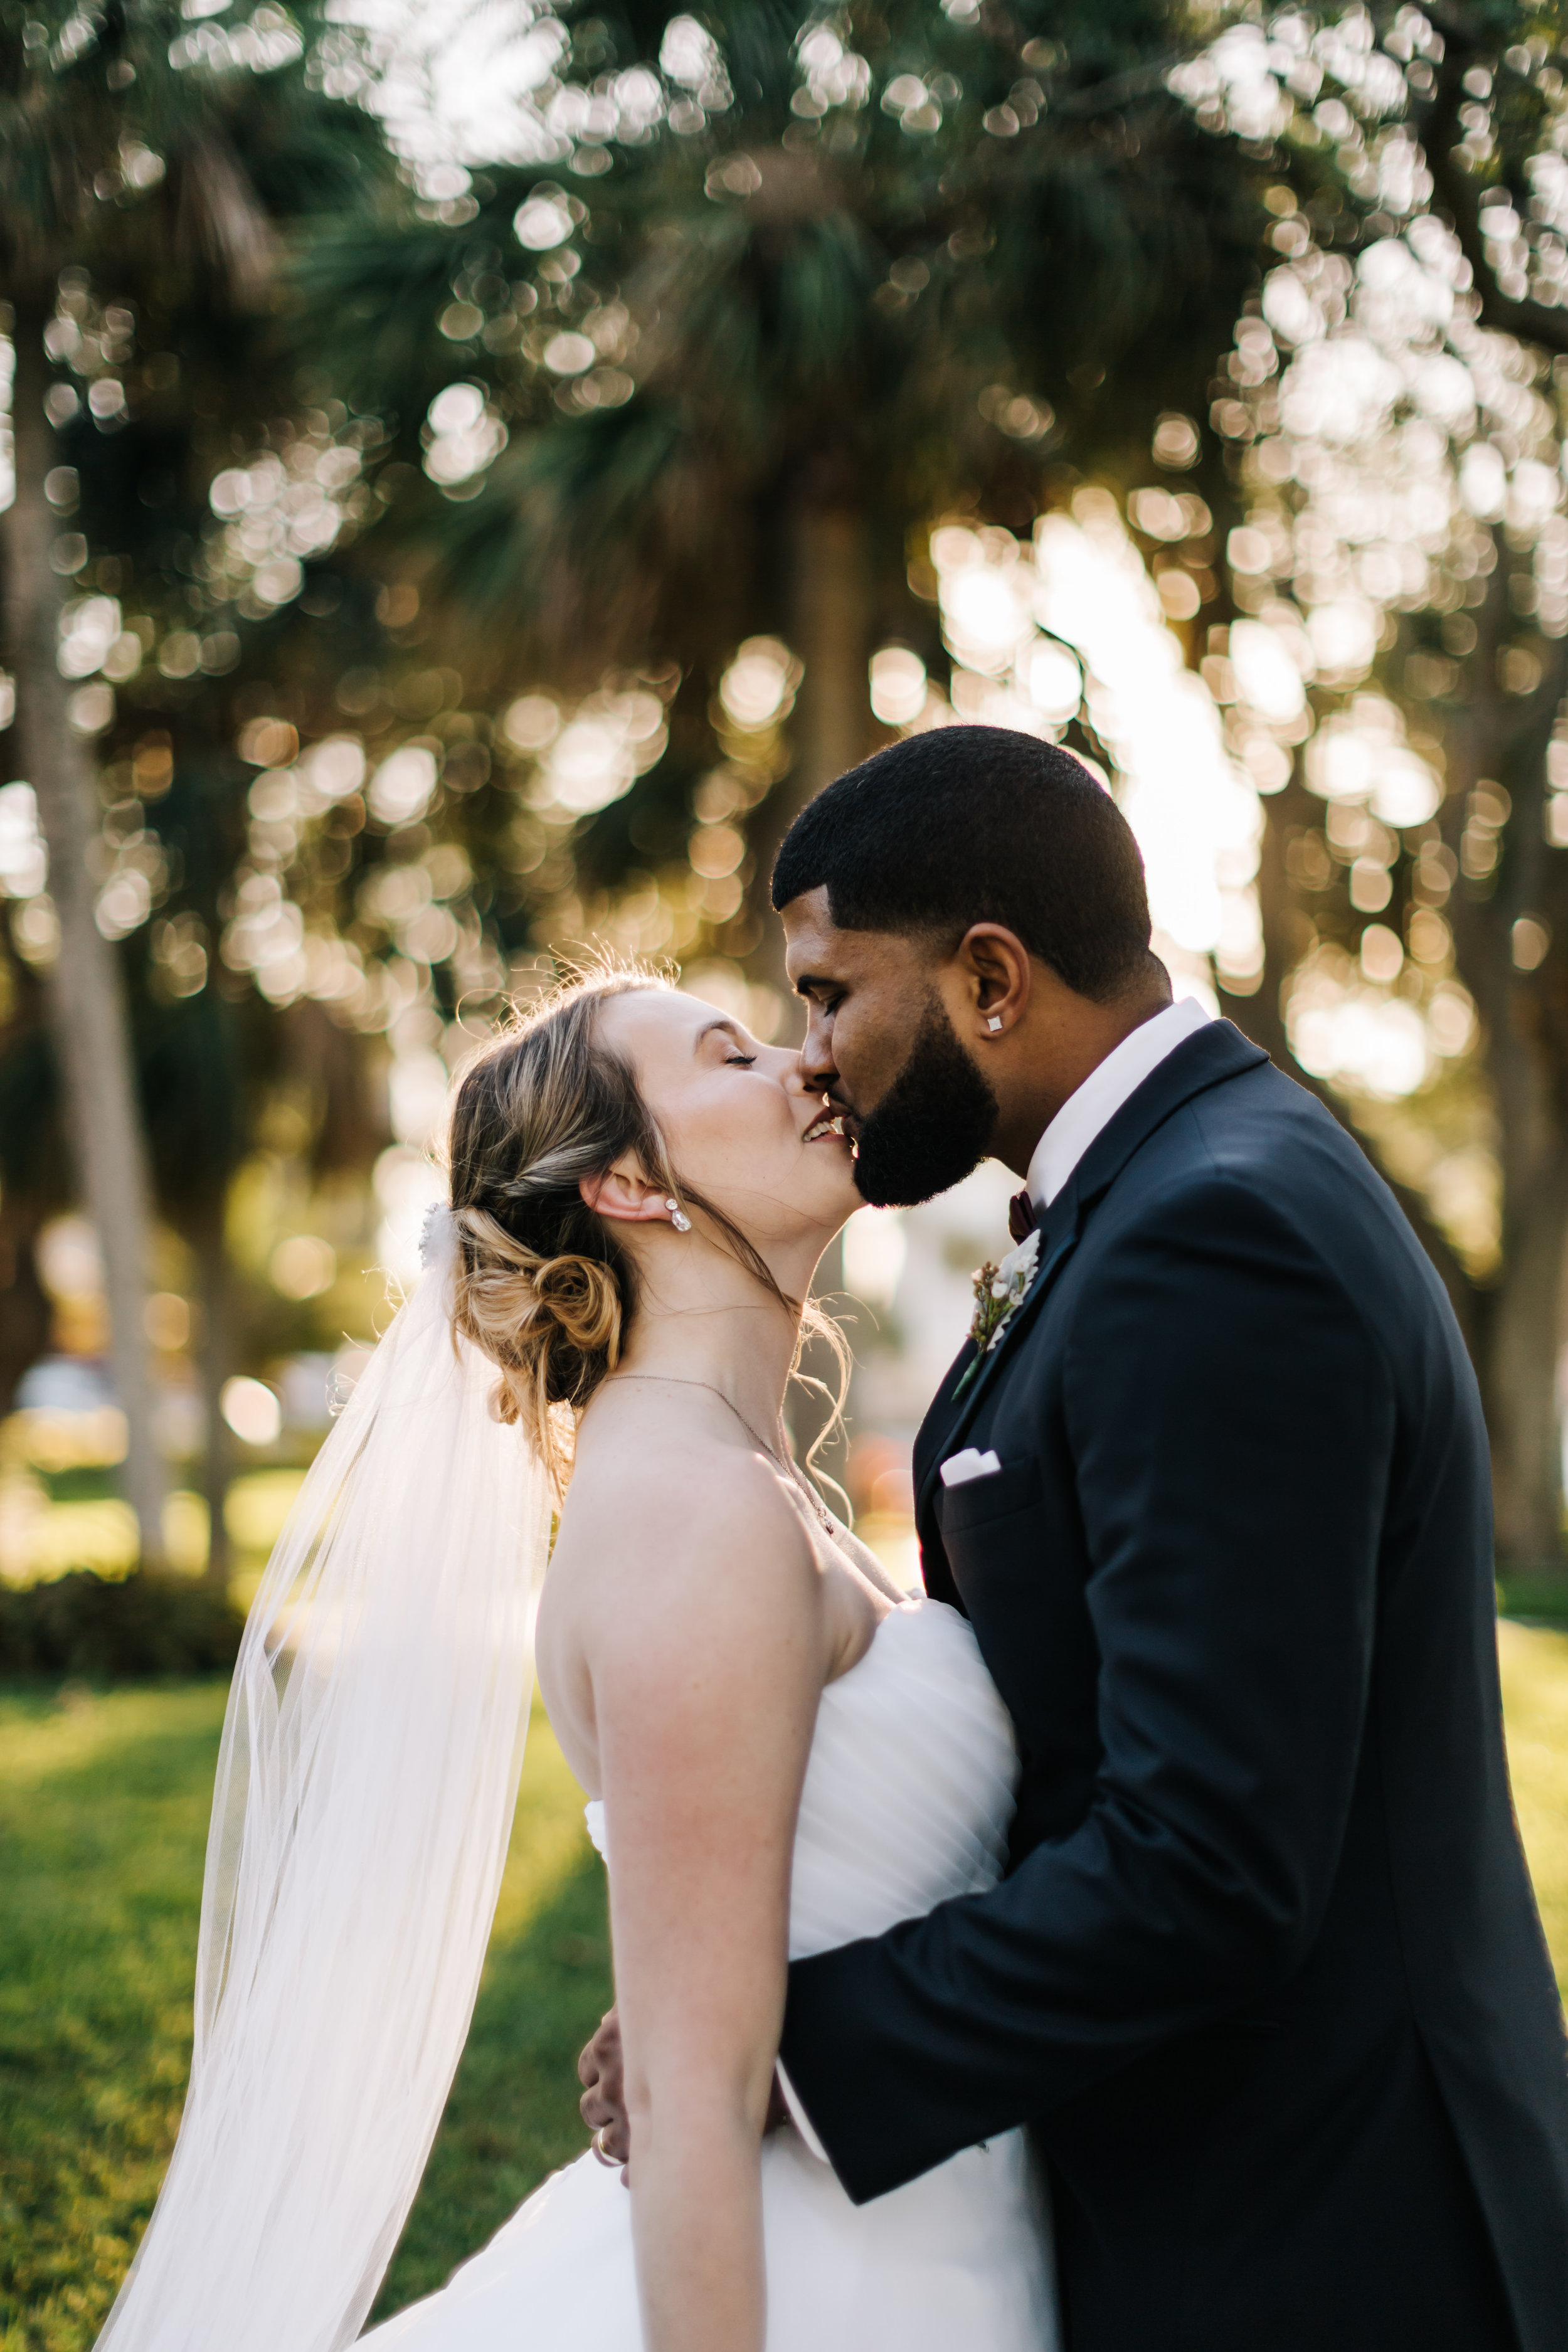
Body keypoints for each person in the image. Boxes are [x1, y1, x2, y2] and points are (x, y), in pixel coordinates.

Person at [580, 723, 1568, 2351]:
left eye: (830, 994)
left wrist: (776, 2046)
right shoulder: (1152, 1197)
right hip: (1211, 2208)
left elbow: (1208, 1858)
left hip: (1327, 2237)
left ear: (986, 976)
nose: (809, 1053)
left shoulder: (1213, 1233)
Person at [92, 955, 1059, 2352]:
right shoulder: (693, 1514)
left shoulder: (731, 1481)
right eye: (728, 1057)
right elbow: (685, 2100)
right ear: (625, 1185)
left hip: (932, 2234)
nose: (804, 1064)